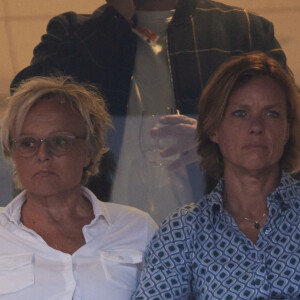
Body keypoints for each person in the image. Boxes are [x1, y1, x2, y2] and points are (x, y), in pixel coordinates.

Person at [11, 0, 287, 222]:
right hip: (104, 239)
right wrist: (114, 18)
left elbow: (289, 130)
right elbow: (26, 107)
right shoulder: (72, 32)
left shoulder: (241, 31)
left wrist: (217, 137)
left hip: (219, 233)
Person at [133, 52, 300, 299]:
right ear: (213, 130)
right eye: (240, 113)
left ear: (287, 130)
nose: (256, 126)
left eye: (271, 114)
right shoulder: (183, 230)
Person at [0, 76, 157, 299]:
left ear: (90, 150)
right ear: (12, 154)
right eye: (27, 143)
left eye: (60, 141)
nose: (43, 155)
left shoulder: (137, 228)